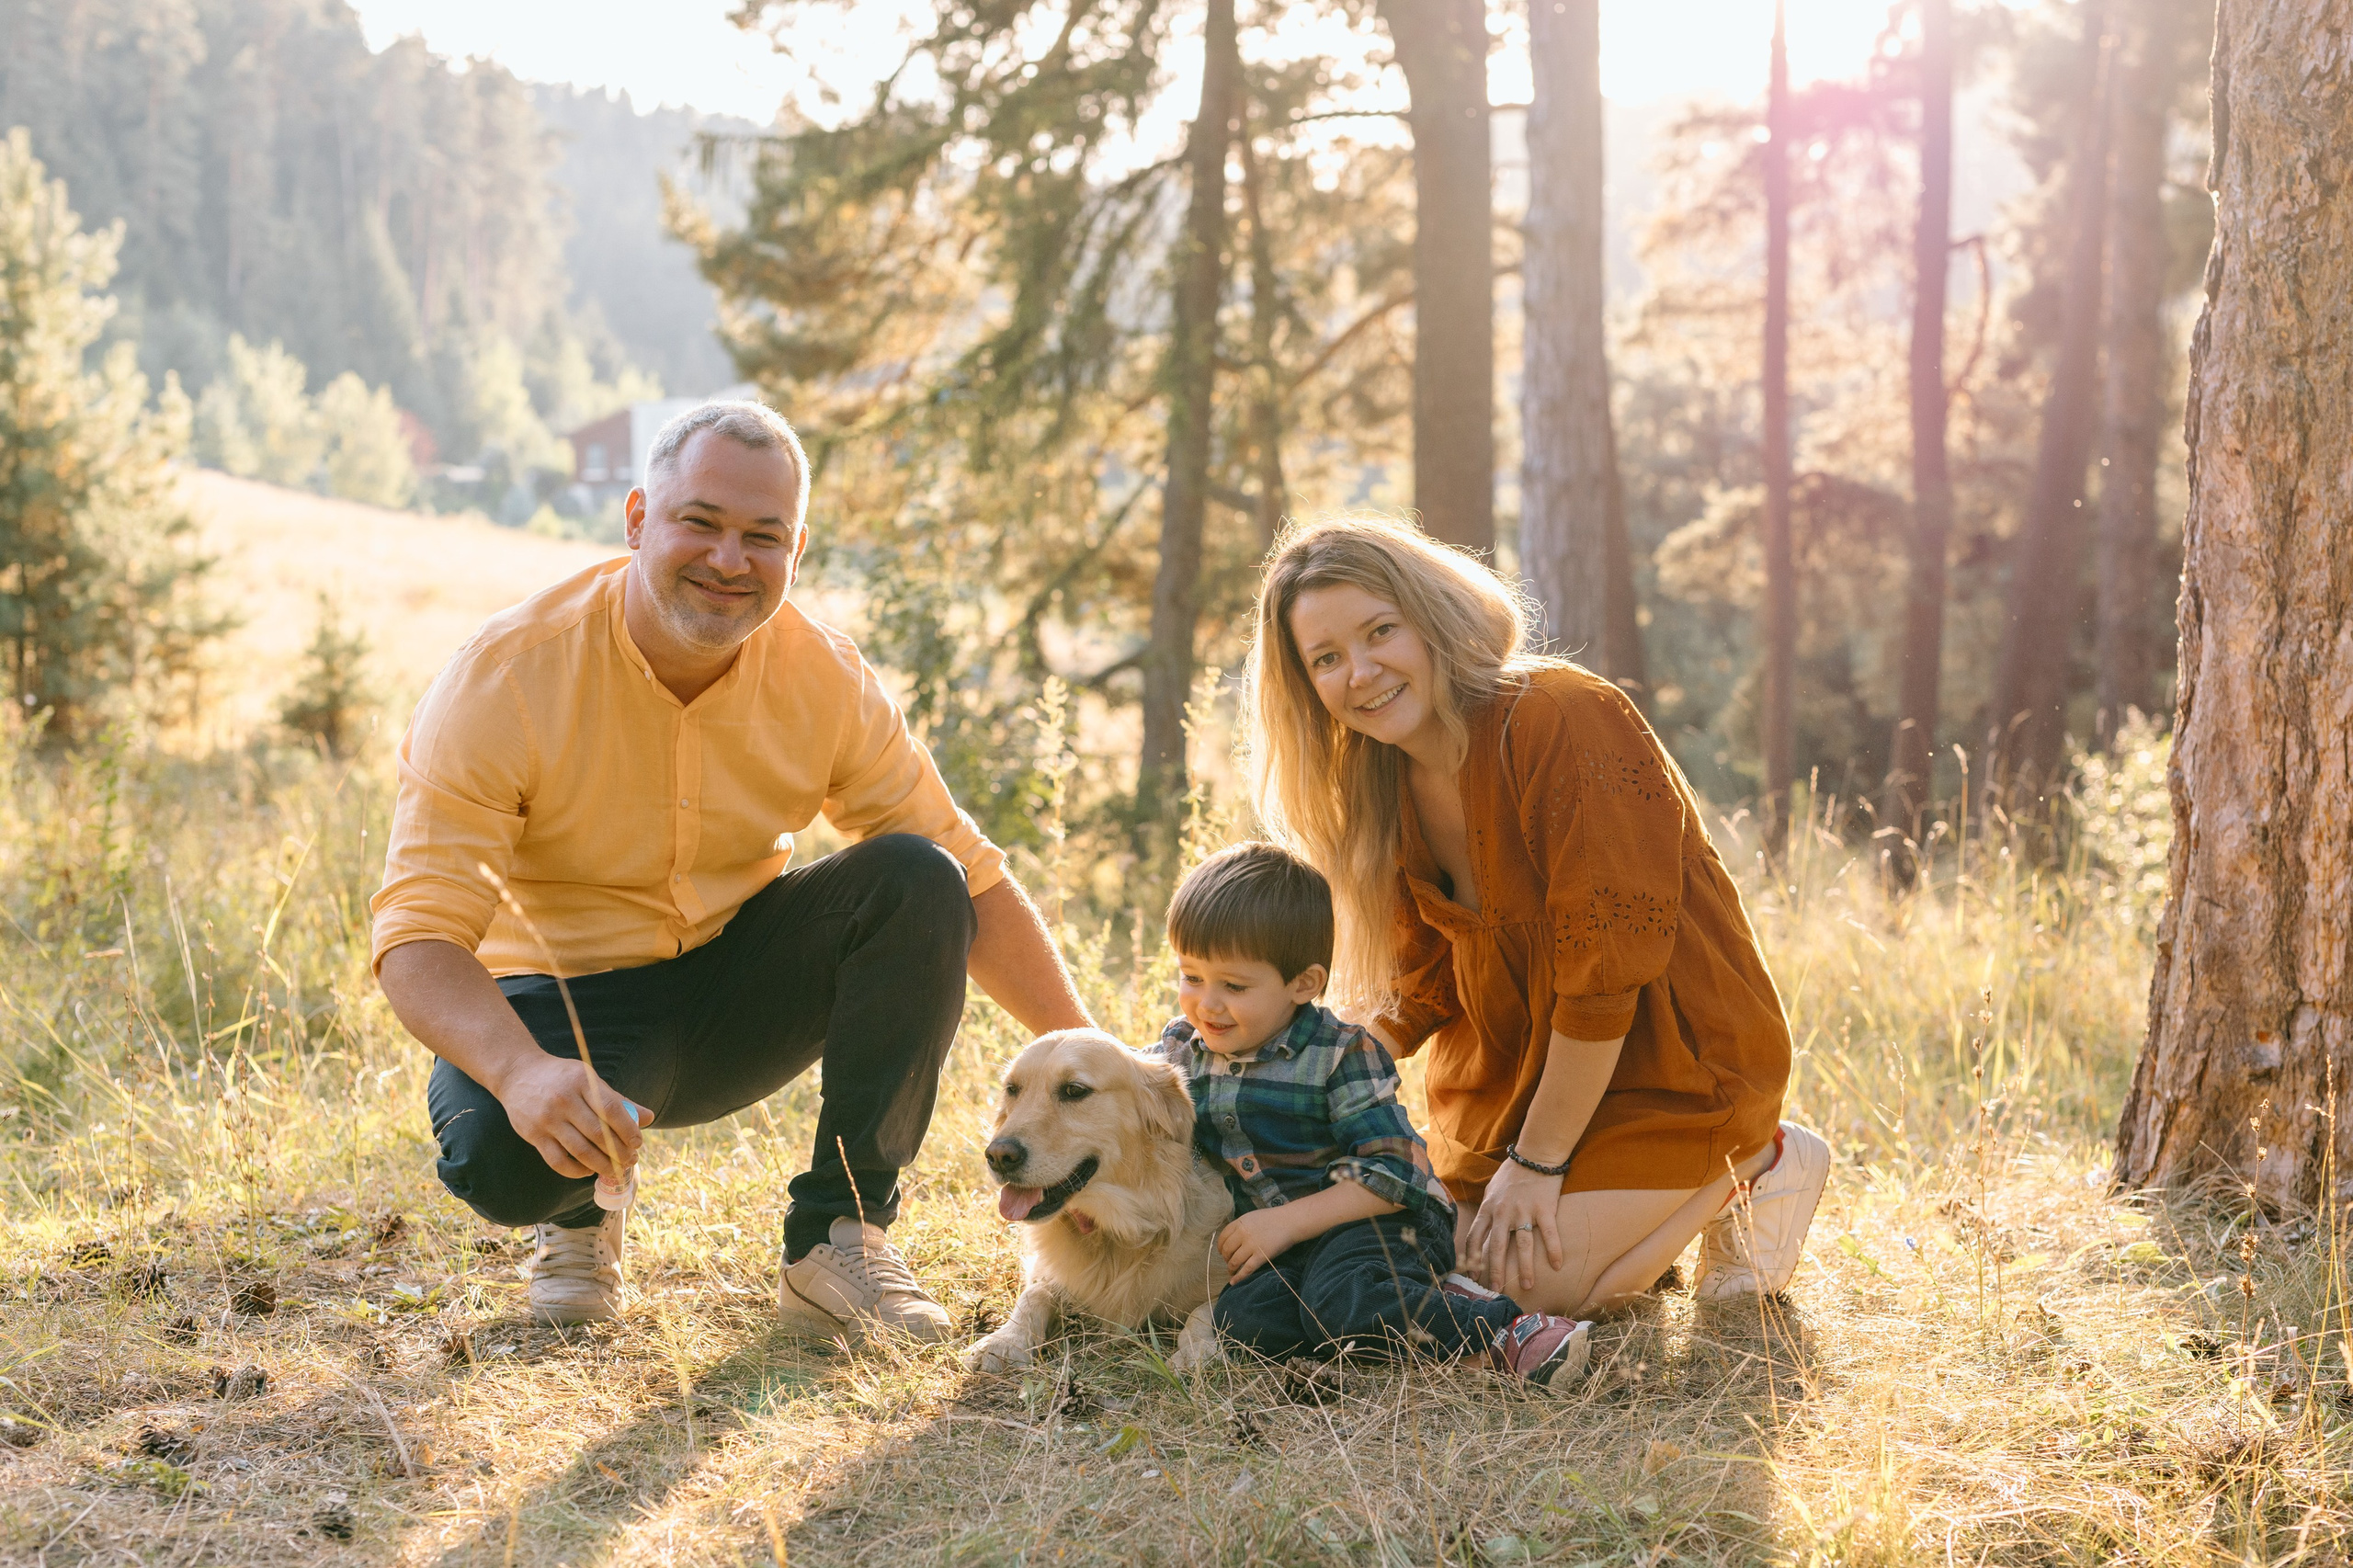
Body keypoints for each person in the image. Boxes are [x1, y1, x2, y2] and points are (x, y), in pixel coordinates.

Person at [371, 400, 1090, 1335]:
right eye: (699, 522)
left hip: (731, 989)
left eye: (763, 536)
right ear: (637, 518)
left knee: (919, 875)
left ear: (797, 550)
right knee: (503, 1167)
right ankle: (579, 1217)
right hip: (563, 1010)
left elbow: (972, 877)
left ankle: (839, 1237)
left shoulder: (822, 674)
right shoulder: (506, 677)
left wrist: (1100, 1060)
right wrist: (520, 1072)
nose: (728, 559)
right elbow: (418, 934)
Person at [1245, 516, 1829, 1319]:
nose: (1362, 671)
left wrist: (1539, 1163)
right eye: (1327, 659)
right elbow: (1421, 987)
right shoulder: (1381, 788)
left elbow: (1603, 979)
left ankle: (1760, 1162)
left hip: (1672, 1070)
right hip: (1517, 1086)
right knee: (1415, 1250)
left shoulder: (1560, 714)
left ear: (1433, 618)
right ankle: (1627, 1227)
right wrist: (1293, 1071)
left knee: (1520, 1290)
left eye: (1382, 631)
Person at [1150, 842, 1595, 1390]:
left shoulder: (1339, 1055)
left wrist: (1284, 1222)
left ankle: (1507, 1330)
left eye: (1233, 986)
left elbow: (1395, 1175)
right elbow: (1134, 1114)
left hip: (1379, 1218)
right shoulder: (1181, 1049)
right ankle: (1408, 1311)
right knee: (1243, 1323)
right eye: (1191, 977)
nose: (1206, 1005)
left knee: (1342, 1297)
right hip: (1287, 1243)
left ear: (1303, 984)